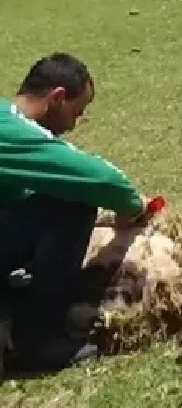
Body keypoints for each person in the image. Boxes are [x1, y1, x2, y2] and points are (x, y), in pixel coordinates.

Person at [0, 53, 153, 372]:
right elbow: (103, 180)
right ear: (56, 98)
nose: (73, 124)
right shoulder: (14, 135)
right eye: (76, 112)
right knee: (74, 202)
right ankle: (38, 341)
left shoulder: (5, 115)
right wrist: (134, 206)